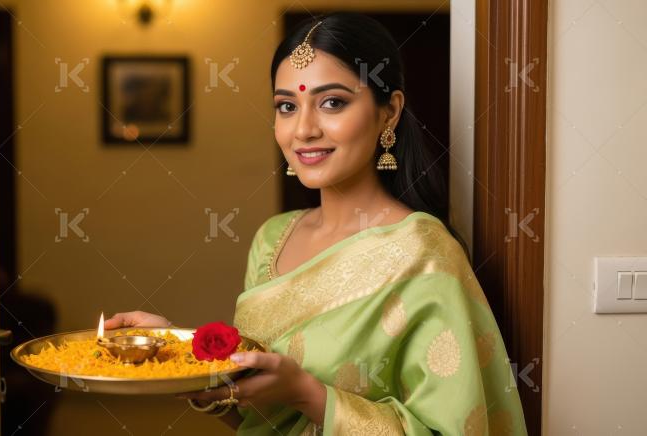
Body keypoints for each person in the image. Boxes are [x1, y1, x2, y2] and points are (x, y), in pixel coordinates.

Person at [107, 12, 527, 435]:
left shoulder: (423, 254)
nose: (303, 129)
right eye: (287, 106)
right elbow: (259, 420)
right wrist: (176, 350)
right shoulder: (274, 238)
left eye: (332, 103)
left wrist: (306, 392)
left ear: (389, 113)